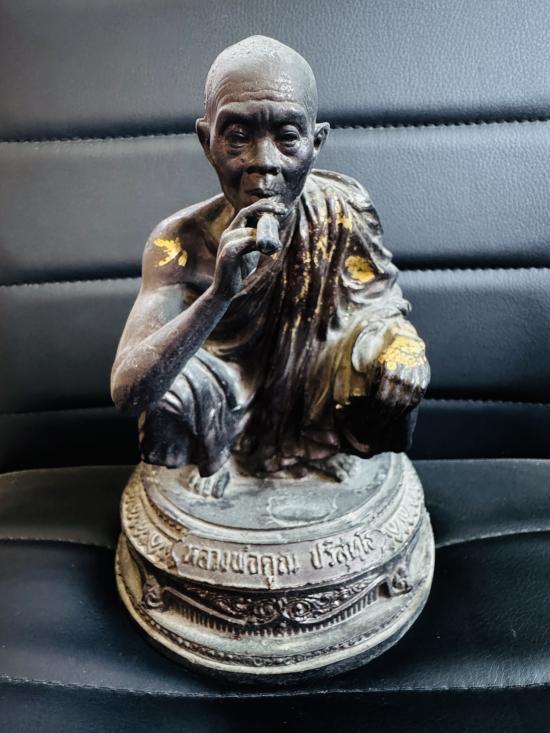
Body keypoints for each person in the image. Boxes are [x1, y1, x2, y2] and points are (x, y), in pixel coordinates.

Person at [111, 36, 430, 496]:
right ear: (207, 141)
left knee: (386, 366)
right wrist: (218, 295)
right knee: (169, 387)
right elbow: (128, 392)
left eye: (287, 137)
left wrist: (403, 350)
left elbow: (378, 307)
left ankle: (322, 450)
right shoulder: (178, 242)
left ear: (316, 142)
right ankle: (217, 454)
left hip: (313, 377)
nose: (263, 163)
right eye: (238, 137)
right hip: (222, 387)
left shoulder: (341, 211)